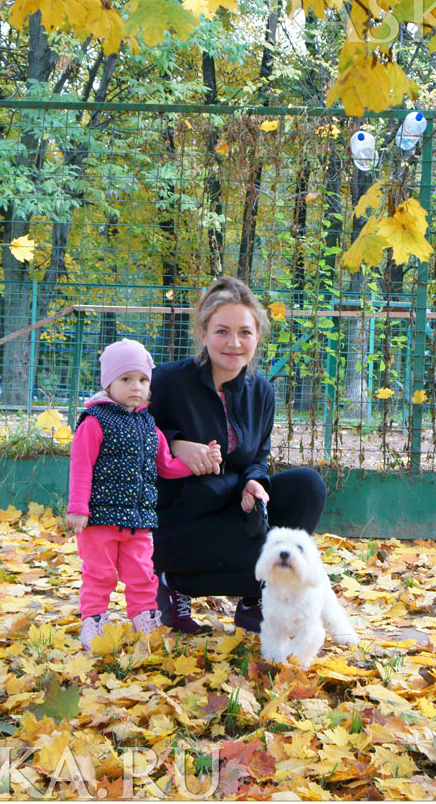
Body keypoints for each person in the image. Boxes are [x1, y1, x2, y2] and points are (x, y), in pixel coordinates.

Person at [147, 277, 329, 634]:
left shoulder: (261, 392)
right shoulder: (166, 381)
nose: (234, 343)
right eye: (222, 331)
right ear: (203, 334)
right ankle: (171, 582)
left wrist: (255, 484)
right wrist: (172, 442)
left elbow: (258, 458)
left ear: (257, 336)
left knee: (308, 486)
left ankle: (253, 601)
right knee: (266, 558)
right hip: (178, 521)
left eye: (245, 332)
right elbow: (114, 425)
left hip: (232, 511)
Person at [66, 338, 213, 650]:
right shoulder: (94, 421)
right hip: (100, 519)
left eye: (143, 380)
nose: (136, 387)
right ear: (108, 383)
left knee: (143, 574)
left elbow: (167, 466)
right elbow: (81, 466)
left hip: (139, 520)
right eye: (126, 379)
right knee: (99, 574)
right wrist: (78, 507)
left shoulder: (150, 426)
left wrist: (197, 465)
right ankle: (93, 623)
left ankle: (145, 621)